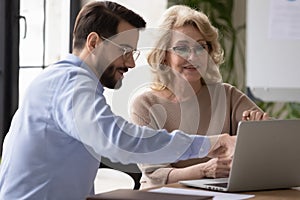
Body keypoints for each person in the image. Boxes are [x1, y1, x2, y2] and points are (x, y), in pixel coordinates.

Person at [0, 1, 236, 200]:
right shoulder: (70, 84)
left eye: (132, 52)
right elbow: (119, 141)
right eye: (124, 50)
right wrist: (209, 144)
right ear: (94, 43)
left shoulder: (67, 81)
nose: (131, 63)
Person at [130, 5, 270, 189]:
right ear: (164, 56)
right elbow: (155, 173)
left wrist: (260, 131)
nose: (192, 56)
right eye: (182, 48)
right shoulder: (145, 104)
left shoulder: (227, 95)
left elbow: (276, 143)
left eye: (200, 47)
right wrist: (204, 170)